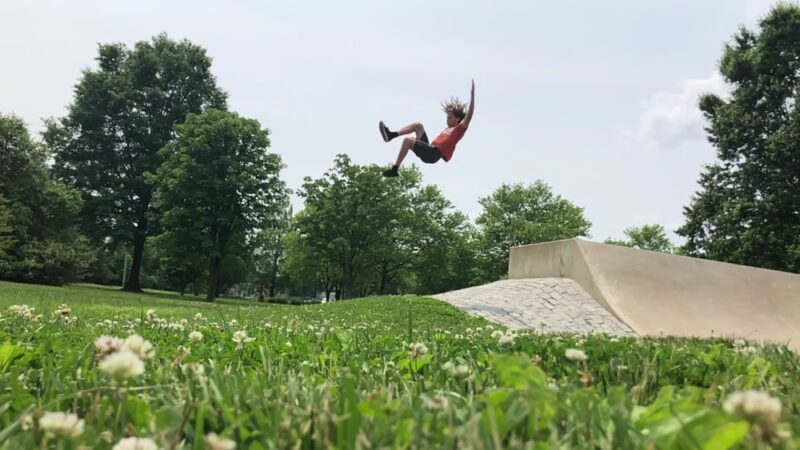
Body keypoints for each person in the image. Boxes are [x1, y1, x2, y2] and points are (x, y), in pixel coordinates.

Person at [379, 80, 475, 177]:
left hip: (433, 154)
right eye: (447, 117)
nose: (447, 120)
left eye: (450, 118)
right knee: (418, 125)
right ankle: (391, 135)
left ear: (458, 119)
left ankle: (394, 170)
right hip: (429, 148)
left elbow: (469, 115)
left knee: (408, 140)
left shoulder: (459, 129)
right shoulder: (446, 129)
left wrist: (472, 95)